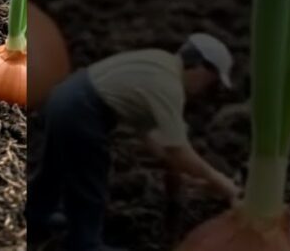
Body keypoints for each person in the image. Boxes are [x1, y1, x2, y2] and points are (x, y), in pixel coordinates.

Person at [30, 34, 240, 251]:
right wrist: (219, 180)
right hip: (83, 112)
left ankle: (36, 213)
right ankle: (85, 243)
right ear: (201, 68)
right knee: (90, 179)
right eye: (211, 82)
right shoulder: (169, 87)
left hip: (64, 96)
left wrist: (184, 172)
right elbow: (178, 150)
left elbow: (150, 134)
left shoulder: (159, 61)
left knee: (54, 166)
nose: (206, 90)